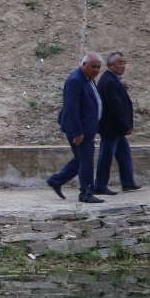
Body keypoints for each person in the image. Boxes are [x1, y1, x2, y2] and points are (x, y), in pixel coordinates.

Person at [48, 52, 104, 204]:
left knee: (81, 159)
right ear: (84, 64)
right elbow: (71, 108)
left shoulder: (88, 79)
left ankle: (56, 180)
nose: (96, 70)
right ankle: (86, 193)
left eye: (98, 67)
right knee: (86, 160)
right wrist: (78, 132)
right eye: (93, 66)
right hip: (80, 129)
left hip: (87, 128)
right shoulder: (75, 80)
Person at [93, 51, 141, 195]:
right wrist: (125, 125)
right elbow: (116, 107)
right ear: (110, 65)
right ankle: (100, 185)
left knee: (124, 153)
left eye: (125, 63)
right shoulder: (109, 81)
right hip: (111, 127)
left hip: (116, 128)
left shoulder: (113, 79)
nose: (123, 66)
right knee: (106, 156)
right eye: (120, 63)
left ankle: (127, 182)